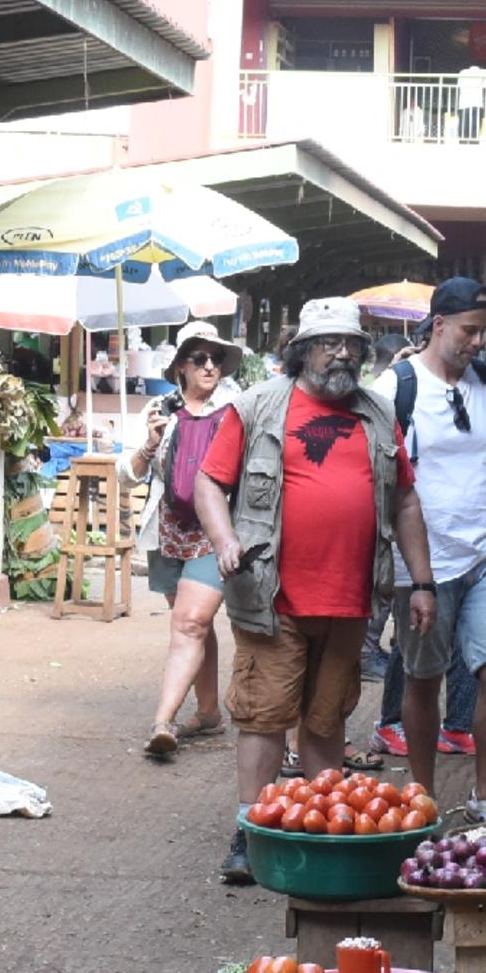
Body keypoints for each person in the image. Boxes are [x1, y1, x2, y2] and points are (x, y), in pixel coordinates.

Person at [195, 297, 436, 883]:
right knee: (264, 716)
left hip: (352, 601)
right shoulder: (256, 407)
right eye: (330, 343)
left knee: (327, 721)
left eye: (352, 343)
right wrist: (224, 539)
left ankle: (316, 831)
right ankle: (251, 831)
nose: (343, 353)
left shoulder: (379, 413)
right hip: (271, 596)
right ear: (302, 349)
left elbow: (404, 498)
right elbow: (208, 480)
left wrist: (422, 582)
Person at [372, 277, 486, 811]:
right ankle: (423, 794)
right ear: (438, 325)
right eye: (468, 331)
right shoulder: (394, 388)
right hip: (423, 562)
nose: (477, 343)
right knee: (423, 678)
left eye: (483, 332)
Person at [124, 321, 242, 759]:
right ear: (180, 366)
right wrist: (149, 446)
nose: (210, 366)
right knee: (195, 625)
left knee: (189, 623)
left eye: (216, 359)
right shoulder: (160, 409)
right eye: (199, 358)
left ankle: (163, 721)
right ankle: (209, 713)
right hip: (170, 532)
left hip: (216, 533)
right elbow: (128, 473)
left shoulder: (236, 409)